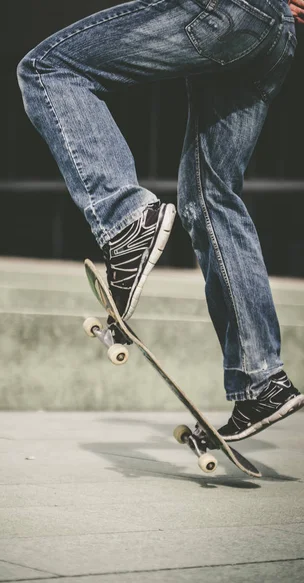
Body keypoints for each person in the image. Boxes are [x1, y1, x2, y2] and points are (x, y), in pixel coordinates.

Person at [17, 0, 304, 441]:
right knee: (210, 199)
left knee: (47, 70)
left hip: (226, 12)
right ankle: (261, 379)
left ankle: (125, 219)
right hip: (276, 32)